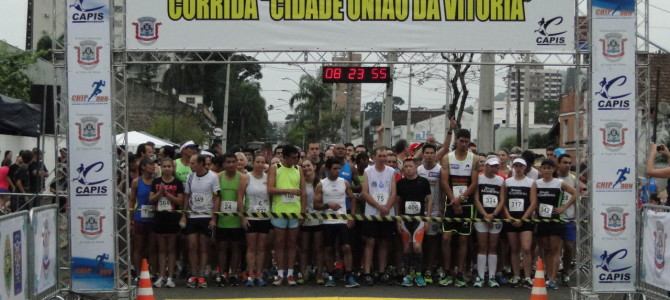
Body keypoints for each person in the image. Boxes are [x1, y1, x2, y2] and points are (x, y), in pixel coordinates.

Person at [440, 129, 478, 287]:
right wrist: (454, 201)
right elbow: (444, 181)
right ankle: (448, 271)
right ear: (456, 141)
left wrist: (461, 199)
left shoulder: (474, 158)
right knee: (446, 238)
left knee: (463, 239)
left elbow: (474, 183)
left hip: (467, 204)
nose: (464, 144)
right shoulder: (447, 158)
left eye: (466, 141)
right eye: (461, 141)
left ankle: (460, 272)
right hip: (450, 203)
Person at [314, 158, 360, 288]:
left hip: (342, 220)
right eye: (334, 169)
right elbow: (315, 205)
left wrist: (351, 216)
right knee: (328, 249)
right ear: (328, 169)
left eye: (339, 168)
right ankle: (330, 275)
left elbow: (352, 198)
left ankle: (349, 275)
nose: (337, 171)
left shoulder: (344, 182)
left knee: (346, 247)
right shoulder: (321, 184)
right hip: (328, 221)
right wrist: (327, 205)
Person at [267, 144, 306, 286]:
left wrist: (303, 212)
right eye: (293, 158)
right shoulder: (275, 168)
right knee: (279, 244)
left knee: (291, 244)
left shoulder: (298, 169)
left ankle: (290, 273)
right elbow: (270, 189)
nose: (295, 160)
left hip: (294, 212)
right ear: (284, 157)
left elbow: (303, 192)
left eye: (297, 158)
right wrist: (288, 190)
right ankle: (279, 273)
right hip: (279, 211)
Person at [535, 159, 577, 290]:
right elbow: (534, 201)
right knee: (545, 250)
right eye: (544, 168)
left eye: (549, 168)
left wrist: (563, 208)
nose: (547, 170)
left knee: (555, 250)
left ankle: (553, 278)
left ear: (553, 170)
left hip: (556, 220)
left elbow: (575, 193)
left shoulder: (559, 183)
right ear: (540, 170)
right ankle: (548, 276)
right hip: (542, 220)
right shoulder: (536, 183)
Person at [182, 154, 221, 288]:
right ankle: (194, 274)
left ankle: (202, 276)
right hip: (193, 216)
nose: (190, 165)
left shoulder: (213, 176)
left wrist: (213, 218)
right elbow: (187, 196)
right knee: (192, 246)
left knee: (204, 247)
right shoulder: (190, 176)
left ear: (201, 164)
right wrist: (183, 214)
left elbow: (216, 198)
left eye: (193, 163)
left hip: (206, 216)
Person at [361, 147, 397, 286]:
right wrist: (378, 206)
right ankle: (367, 272)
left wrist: (387, 207)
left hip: (387, 212)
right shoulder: (368, 171)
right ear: (374, 157)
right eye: (380, 155)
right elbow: (365, 192)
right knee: (370, 242)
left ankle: (382, 272)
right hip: (372, 212)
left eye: (385, 156)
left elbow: (393, 192)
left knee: (384, 242)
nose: (383, 158)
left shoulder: (391, 171)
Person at [396, 158, 432, 287]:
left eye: (410, 166)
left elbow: (429, 199)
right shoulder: (400, 183)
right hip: (405, 220)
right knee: (406, 248)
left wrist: (427, 218)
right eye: (405, 166)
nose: (408, 169)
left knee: (417, 247)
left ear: (416, 167)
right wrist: (398, 220)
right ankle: (408, 275)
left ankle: (418, 274)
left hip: (419, 220)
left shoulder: (423, 182)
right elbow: (398, 202)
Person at [472, 156, 506, 288]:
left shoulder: (500, 180)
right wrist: (485, 214)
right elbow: (476, 198)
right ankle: (480, 276)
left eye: (496, 166)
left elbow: (502, 199)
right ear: (485, 166)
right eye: (491, 166)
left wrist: (494, 214)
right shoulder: (478, 178)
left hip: (495, 217)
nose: (494, 168)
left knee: (493, 247)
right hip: (481, 216)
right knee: (482, 246)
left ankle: (491, 276)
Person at [150, 158, 184, 288]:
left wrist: (167, 194)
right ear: (161, 168)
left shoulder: (178, 183)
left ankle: (170, 277)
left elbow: (180, 201)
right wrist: (160, 193)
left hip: (172, 219)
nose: (167, 168)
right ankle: (161, 276)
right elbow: (151, 199)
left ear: (173, 168)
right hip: (159, 218)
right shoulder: (156, 182)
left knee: (171, 249)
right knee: (161, 249)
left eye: (169, 166)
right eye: (164, 166)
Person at [503, 158, 537, 288]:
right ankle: (516, 275)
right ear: (512, 167)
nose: (518, 168)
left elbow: (533, 202)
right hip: (511, 219)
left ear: (525, 168)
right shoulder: (507, 182)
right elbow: (504, 201)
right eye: (516, 165)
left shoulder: (530, 182)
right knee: (514, 249)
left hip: (525, 219)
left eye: (520, 166)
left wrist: (523, 218)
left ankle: (527, 276)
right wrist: (509, 217)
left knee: (526, 248)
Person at [239, 155, 271, 287]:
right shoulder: (246, 177)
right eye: (257, 162)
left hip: (265, 217)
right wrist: (242, 217)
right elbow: (240, 197)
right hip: (250, 216)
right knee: (251, 248)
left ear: (265, 164)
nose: (260, 164)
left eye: (262, 162)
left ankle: (259, 274)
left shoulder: (268, 178)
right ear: (253, 163)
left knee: (262, 248)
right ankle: (250, 275)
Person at [215, 154, 245, 287]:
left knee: (236, 247)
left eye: (234, 162)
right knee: (222, 247)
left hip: (236, 218)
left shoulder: (242, 177)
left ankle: (233, 273)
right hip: (222, 218)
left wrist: (242, 217)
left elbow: (240, 198)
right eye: (228, 162)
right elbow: (217, 198)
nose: (231, 164)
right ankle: (222, 273)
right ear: (224, 164)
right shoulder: (219, 177)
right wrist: (214, 217)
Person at [416, 144, 442, 284]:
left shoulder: (440, 170)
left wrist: (442, 211)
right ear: (423, 154)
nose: (429, 155)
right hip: (420, 211)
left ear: (435, 154)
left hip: (436, 211)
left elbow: (443, 191)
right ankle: (418, 268)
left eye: (432, 153)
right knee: (420, 241)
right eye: (427, 152)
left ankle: (429, 269)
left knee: (432, 241)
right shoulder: (418, 170)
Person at [130, 158, 156, 282]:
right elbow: (132, 200)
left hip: (153, 218)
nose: (153, 167)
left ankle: (150, 271)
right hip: (140, 217)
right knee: (138, 247)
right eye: (150, 165)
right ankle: (138, 272)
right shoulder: (136, 182)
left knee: (151, 246)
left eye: (154, 165)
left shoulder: (156, 182)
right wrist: (131, 218)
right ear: (144, 167)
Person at [298, 159, 323, 285]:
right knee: (304, 248)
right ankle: (303, 273)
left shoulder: (321, 183)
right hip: (304, 219)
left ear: (314, 167)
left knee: (318, 248)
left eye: (308, 165)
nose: (306, 168)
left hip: (318, 219)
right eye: (303, 166)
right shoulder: (299, 183)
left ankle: (319, 274)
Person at [556, 154, 578, 285]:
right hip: (555, 218)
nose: (567, 165)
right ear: (558, 163)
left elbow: (576, 196)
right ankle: (552, 272)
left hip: (569, 218)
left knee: (569, 247)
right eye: (565, 162)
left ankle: (566, 271)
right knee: (554, 248)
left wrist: (565, 207)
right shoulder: (553, 178)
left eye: (570, 163)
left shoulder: (573, 179)